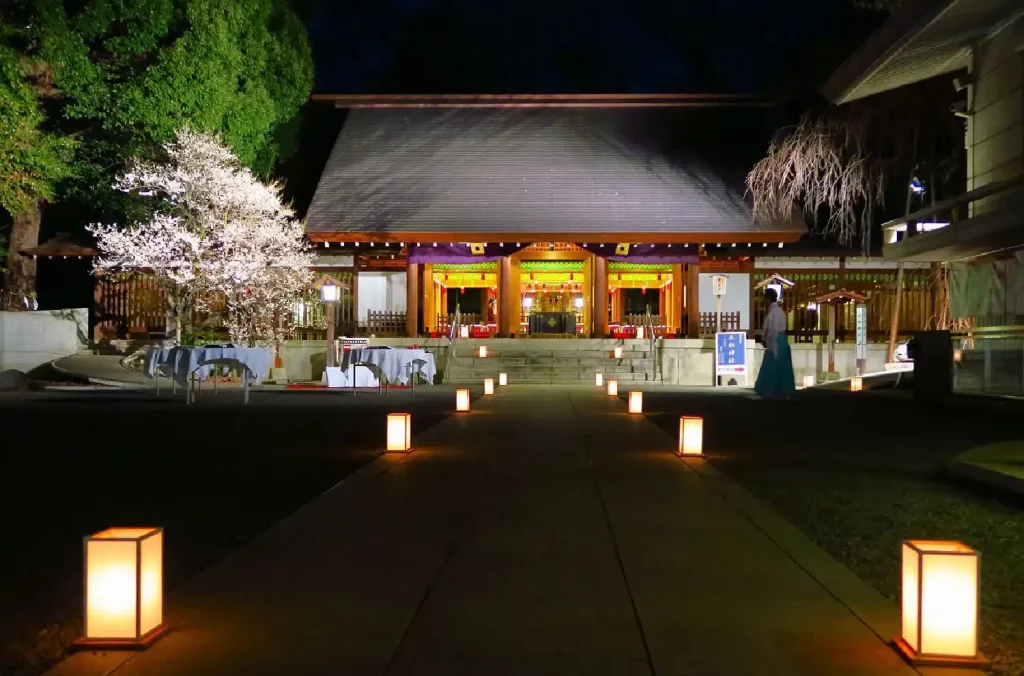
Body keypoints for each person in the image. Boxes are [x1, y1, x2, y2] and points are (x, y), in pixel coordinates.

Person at [754, 287, 796, 398]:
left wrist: (766, 340)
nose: (763, 301)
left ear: (768, 299)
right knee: (783, 367)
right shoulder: (780, 311)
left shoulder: (773, 312)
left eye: (764, 298)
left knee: (771, 367)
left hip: (775, 341)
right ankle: (783, 391)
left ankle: (770, 391)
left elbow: (772, 329)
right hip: (782, 340)